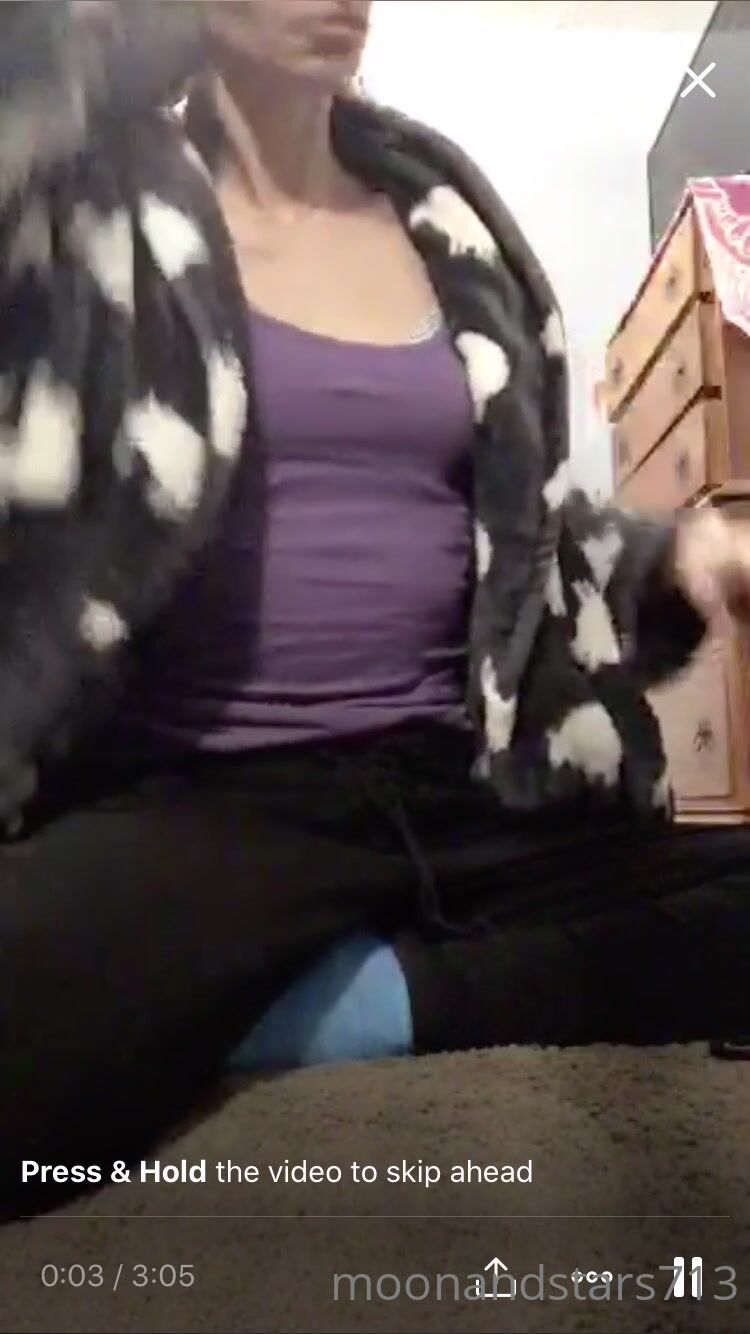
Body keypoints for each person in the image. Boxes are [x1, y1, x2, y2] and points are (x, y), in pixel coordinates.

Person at [2, 0, 750, 1211]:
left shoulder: (447, 222)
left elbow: (528, 534)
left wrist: (683, 556)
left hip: (462, 777)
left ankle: (364, 1000)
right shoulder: (95, 204)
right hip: (219, 798)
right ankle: (264, 964)